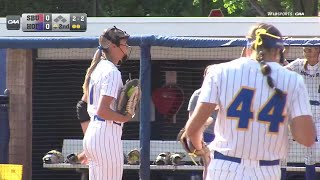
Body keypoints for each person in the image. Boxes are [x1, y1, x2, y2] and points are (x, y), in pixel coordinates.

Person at [184, 22, 316, 180]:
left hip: (224, 168)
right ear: (279, 51)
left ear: (248, 48)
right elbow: (307, 138)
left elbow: (192, 131)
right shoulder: (292, 79)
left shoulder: (219, 71)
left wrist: (200, 149)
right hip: (267, 171)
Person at [81, 26, 133, 180]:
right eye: (124, 44)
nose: (127, 47)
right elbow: (103, 110)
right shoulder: (111, 71)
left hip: (95, 133)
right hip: (106, 134)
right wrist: (125, 117)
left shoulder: (99, 68)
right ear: (113, 45)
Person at [286, 46, 320, 180]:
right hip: (303, 112)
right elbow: (281, 73)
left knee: (311, 151)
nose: (309, 53)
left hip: (318, 112)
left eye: (312, 50)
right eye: (306, 50)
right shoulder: (298, 64)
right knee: (305, 151)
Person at [187, 65, 218, 180]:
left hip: (223, 137)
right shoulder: (198, 94)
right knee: (209, 164)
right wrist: (199, 141)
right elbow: (192, 120)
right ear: (204, 76)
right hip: (205, 136)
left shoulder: (225, 93)